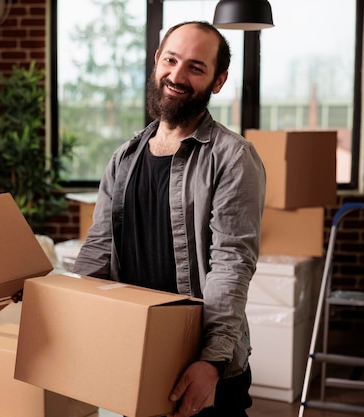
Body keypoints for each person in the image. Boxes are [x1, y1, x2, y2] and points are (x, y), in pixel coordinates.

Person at [72, 21, 266, 417]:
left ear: (218, 81)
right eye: (171, 60)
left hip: (201, 360)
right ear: (156, 61)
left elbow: (232, 263)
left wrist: (211, 361)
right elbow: (99, 248)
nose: (176, 76)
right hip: (138, 349)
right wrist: (72, 314)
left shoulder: (232, 157)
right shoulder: (124, 157)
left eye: (195, 67)